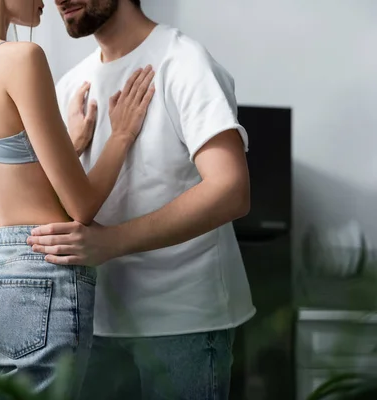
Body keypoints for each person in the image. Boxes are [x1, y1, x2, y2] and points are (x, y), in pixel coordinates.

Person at [27, 0, 256, 399]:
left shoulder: (181, 61)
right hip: (91, 325)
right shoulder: (70, 86)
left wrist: (110, 242)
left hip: (182, 324)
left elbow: (231, 189)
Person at [0, 0, 155, 398]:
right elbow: (81, 205)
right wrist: (120, 136)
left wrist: (68, 144)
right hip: (39, 284)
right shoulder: (23, 58)